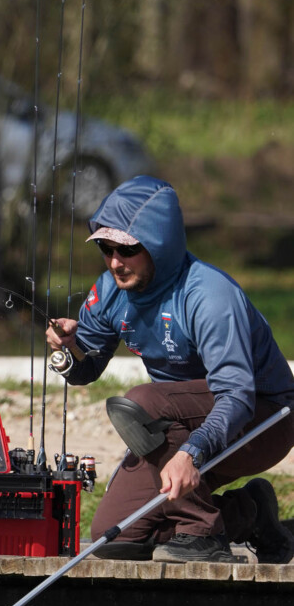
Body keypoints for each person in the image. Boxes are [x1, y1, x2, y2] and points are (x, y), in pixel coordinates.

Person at [46, 174, 294, 563]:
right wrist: (70, 347)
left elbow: (237, 396)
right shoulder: (111, 290)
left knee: (141, 402)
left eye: (127, 249)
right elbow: (85, 370)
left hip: (263, 421)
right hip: (177, 426)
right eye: (106, 249)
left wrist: (192, 453)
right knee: (116, 536)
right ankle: (251, 513)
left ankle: (203, 534)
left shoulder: (209, 296)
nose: (115, 261)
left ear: (159, 244)